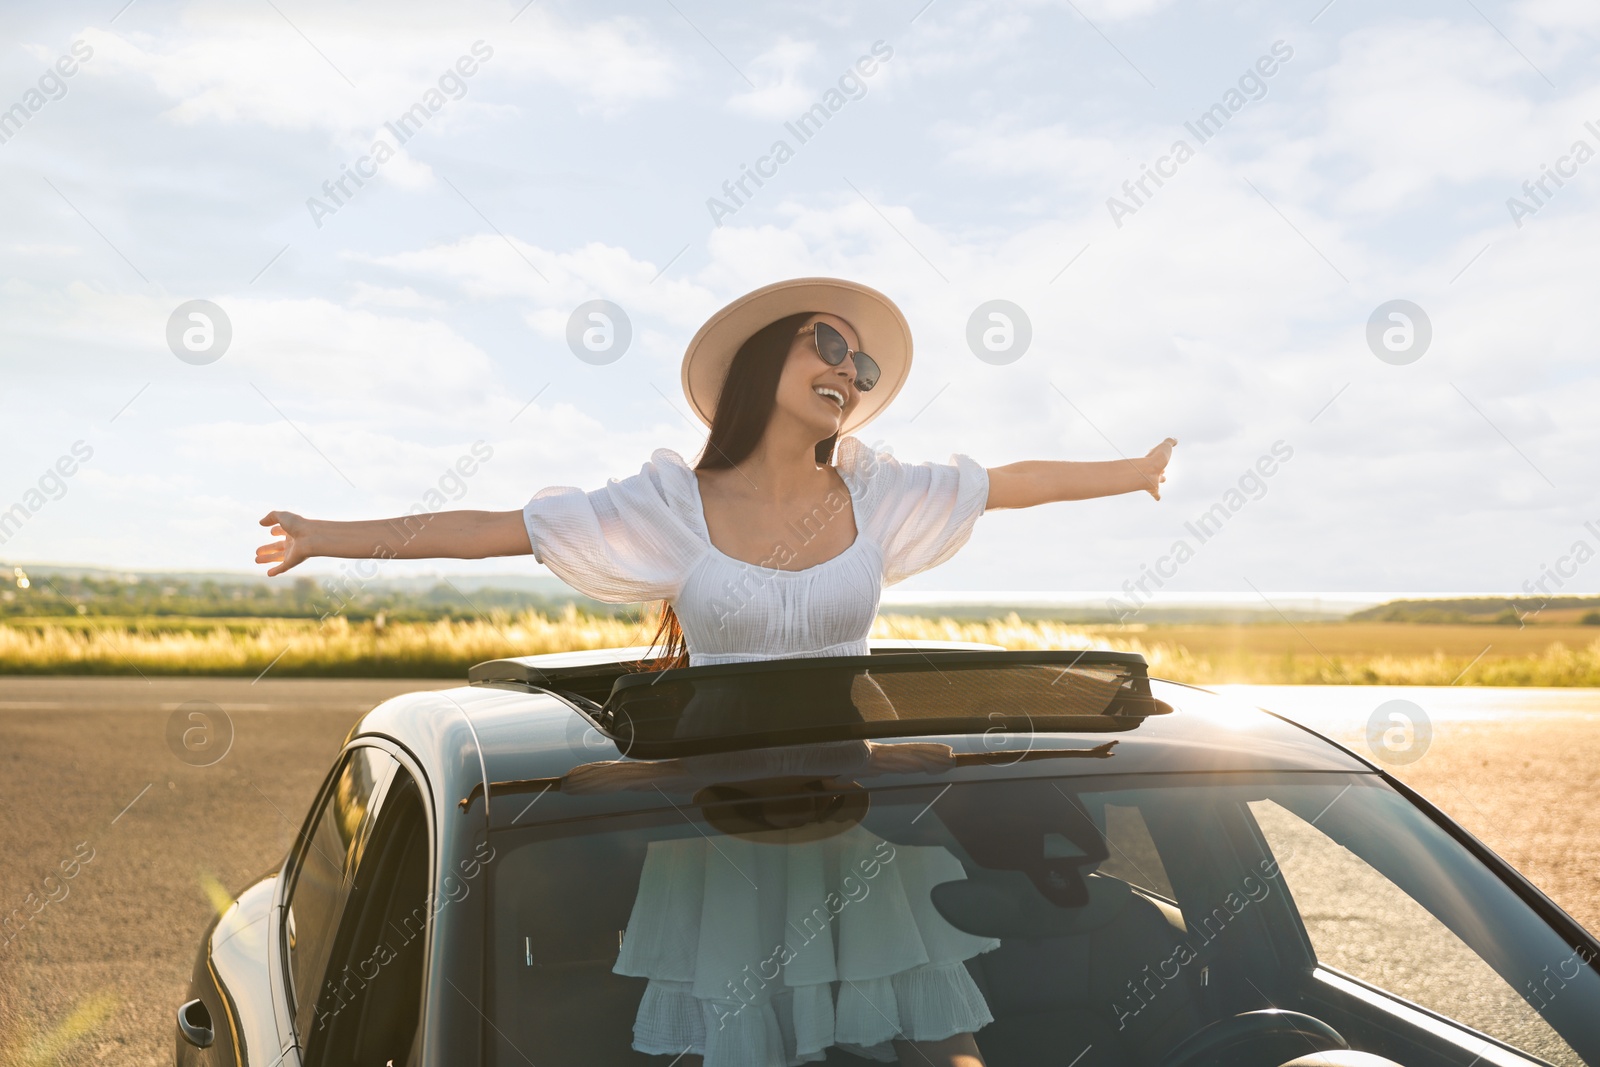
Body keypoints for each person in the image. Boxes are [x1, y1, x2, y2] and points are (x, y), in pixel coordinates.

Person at [255, 276, 1178, 1066]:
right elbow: (499, 528)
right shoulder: (672, 506)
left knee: (938, 1039)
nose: (848, 375)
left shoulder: (876, 493)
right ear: (762, 360)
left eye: (863, 368)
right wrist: (323, 537)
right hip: (719, 835)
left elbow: (1008, 481)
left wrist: (1131, 471)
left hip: (854, 822)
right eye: (829, 345)